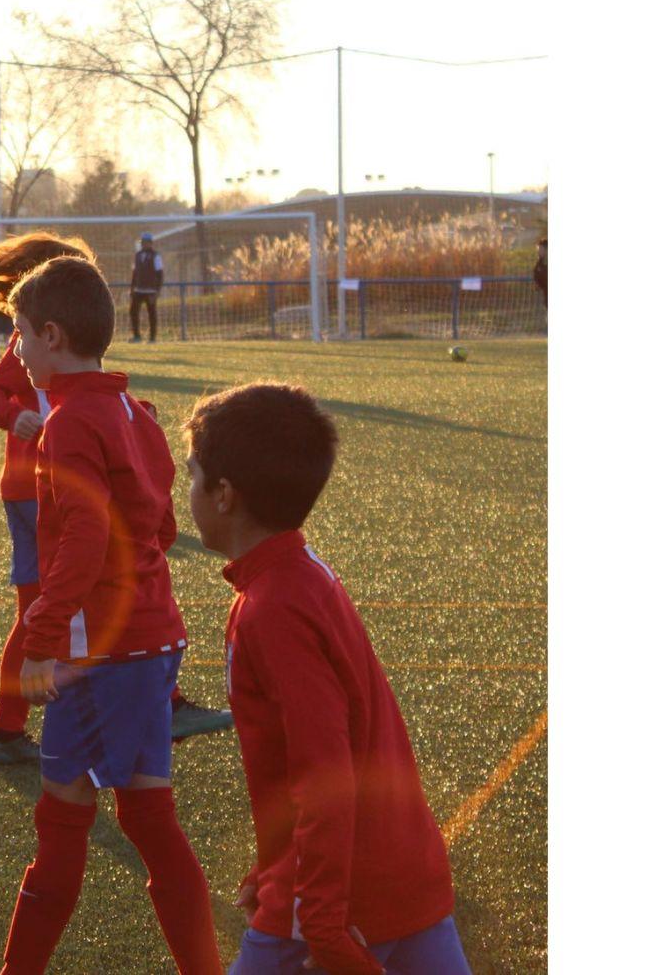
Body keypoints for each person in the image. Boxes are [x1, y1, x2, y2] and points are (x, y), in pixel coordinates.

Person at [182, 384, 468, 975]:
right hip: (402, 870)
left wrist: (320, 923)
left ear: (225, 495)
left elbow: (325, 772)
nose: (185, 494)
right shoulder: (302, 573)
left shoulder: (274, 608)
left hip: (336, 900)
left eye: (191, 476)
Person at [0, 254, 221, 975]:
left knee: (96, 822)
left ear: (52, 336)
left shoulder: (65, 423)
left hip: (105, 653)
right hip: (151, 639)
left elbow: (85, 539)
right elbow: (156, 524)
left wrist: (42, 636)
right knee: (111, 818)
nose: (15, 350)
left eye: (19, 334)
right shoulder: (133, 410)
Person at [0, 234, 231, 765]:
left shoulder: (101, 403)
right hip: (31, 490)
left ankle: (19, 723)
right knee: (43, 606)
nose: (16, 346)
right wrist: (14, 416)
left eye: (20, 334)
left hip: (111, 632)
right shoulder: (71, 385)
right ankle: (9, 726)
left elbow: (134, 526)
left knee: (89, 791)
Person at [129, 232, 164, 344]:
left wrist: (158, 290)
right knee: (133, 311)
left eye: (147, 242)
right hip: (138, 290)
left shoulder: (156, 255)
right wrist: (132, 288)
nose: (145, 244)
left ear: (150, 243)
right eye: (143, 242)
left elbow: (160, 273)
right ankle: (137, 336)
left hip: (151, 290)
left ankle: (152, 338)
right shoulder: (137, 255)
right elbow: (135, 273)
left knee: (152, 313)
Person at [532, 238, 547, 303]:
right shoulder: (538, 265)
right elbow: (536, 278)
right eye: (538, 249)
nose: (538, 251)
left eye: (541, 249)